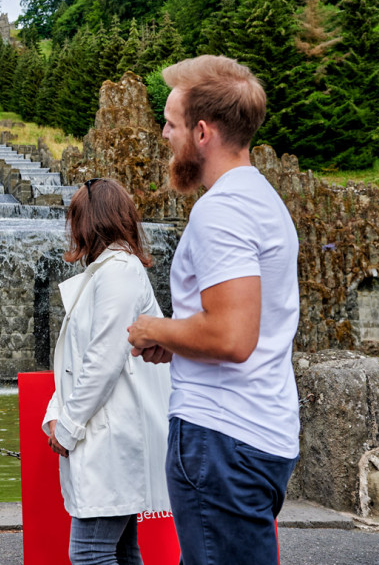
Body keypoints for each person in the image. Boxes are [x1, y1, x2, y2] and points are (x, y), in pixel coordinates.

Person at [126, 55, 300, 565]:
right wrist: (178, 339)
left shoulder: (221, 211)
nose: (162, 134)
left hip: (221, 438)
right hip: (257, 429)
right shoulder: (262, 198)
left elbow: (231, 336)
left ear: (202, 132)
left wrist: (150, 327)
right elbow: (243, 325)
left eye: (172, 123)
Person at [43, 177, 171, 565]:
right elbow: (80, 360)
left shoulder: (117, 272)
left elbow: (103, 359)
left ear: (90, 223)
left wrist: (66, 426)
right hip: (112, 434)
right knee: (121, 550)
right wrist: (56, 413)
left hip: (112, 437)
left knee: (89, 554)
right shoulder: (112, 271)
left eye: (76, 220)